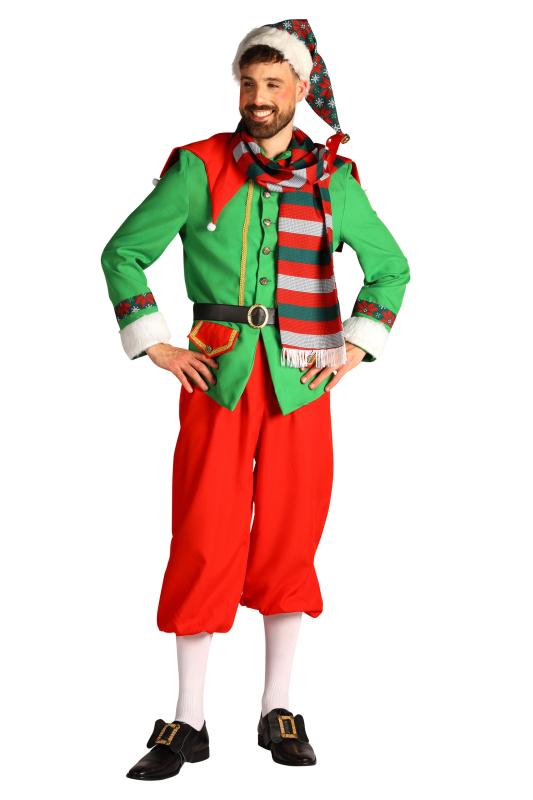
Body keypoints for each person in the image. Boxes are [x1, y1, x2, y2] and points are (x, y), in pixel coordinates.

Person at [100, 18, 410, 779]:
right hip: (218, 377)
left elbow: (390, 268)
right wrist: (157, 343)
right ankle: (188, 719)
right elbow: (123, 253)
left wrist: (353, 347)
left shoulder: (332, 178)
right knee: (204, 534)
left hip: (302, 380)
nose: (259, 97)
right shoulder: (198, 167)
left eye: (274, 84)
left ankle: (279, 706)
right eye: (249, 83)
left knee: (289, 535)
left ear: (301, 89)